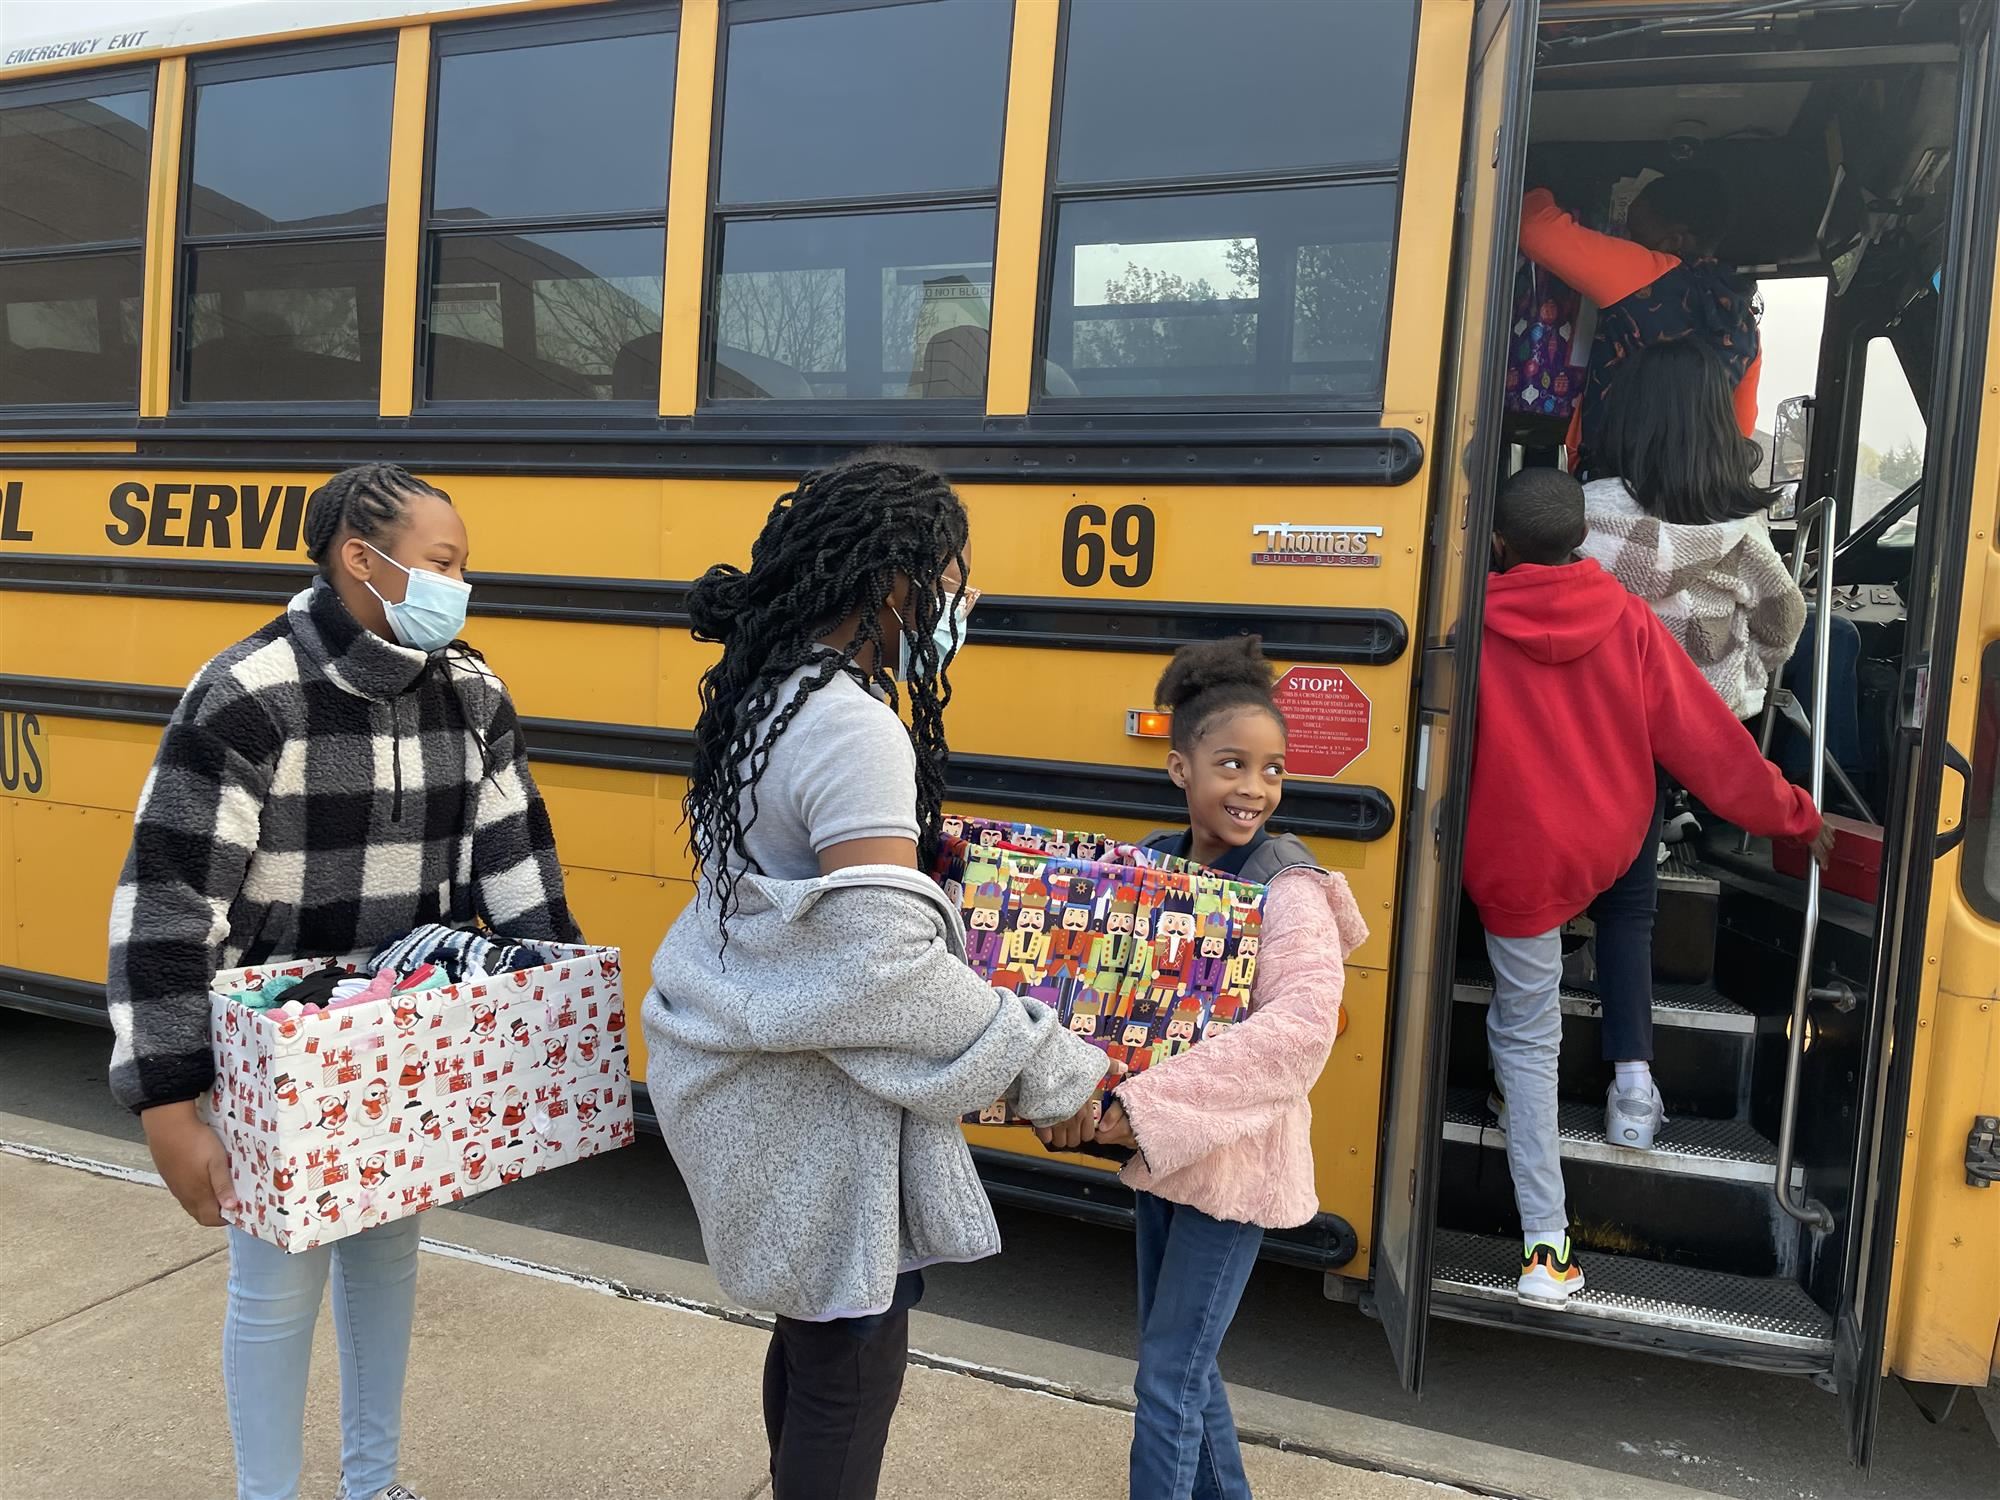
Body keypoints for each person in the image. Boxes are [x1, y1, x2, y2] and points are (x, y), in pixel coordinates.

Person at [107, 462, 580, 1500]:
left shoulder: (472, 691)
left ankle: (373, 1486)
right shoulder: (247, 696)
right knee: (275, 1291)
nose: (461, 586)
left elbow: (515, 864)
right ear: (362, 562)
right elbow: (171, 901)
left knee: (385, 1264)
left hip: (401, 1042)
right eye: (443, 564)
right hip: (267, 1052)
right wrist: (166, 1096)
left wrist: (556, 1013)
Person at [641, 450, 1107, 1500]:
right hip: (811, 1111)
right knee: (849, 1374)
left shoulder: (766, 692)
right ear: (892, 580)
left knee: (814, 1349)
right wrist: (1053, 1067)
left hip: (749, 1079)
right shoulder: (853, 723)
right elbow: (882, 967)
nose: (959, 600)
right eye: (949, 576)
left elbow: (810, 906)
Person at [1462, 467, 1830, 1307]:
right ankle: (1634, 1084)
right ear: (1578, 543)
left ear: (1497, 545)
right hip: (1611, 841)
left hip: (1516, 862)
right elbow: (1710, 749)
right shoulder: (1627, 619)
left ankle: (1547, 1250)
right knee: (1622, 905)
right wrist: (1797, 817)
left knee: (1526, 1036)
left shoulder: (1471, 624)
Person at [1092, 637, 1367, 1500]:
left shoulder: (1289, 890)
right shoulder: (1155, 867)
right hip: (1169, 1154)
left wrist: (1143, 1107)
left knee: (1167, 1378)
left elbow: (1299, 1032)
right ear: (1179, 766)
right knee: (1187, 1369)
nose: (1254, 788)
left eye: (1273, 770)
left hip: (1234, 1168)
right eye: (1231, 765)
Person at [1581, 337, 1806, 720]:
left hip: (1605, 710)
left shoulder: (1585, 506)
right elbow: (1781, 631)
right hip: (1706, 721)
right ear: (1718, 420)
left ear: (1624, 415)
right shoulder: (1740, 523)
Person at [1520, 171, 1761, 471]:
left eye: (1635, 233)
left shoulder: (1649, 274)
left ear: (1675, 241)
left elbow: (1535, 228)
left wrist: (1543, 184)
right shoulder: (1745, 324)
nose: (1626, 242)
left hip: (1611, 482)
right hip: (1686, 494)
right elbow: (1741, 430)